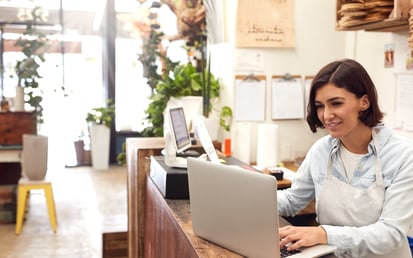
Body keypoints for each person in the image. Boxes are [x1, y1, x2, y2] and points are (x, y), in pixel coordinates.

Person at [277, 59, 413, 258]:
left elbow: (390, 234)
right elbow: (292, 200)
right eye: (320, 106)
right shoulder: (321, 150)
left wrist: (323, 233)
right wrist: (248, 197)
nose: (326, 115)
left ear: (364, 102)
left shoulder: (403, 156)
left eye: (336, 103)